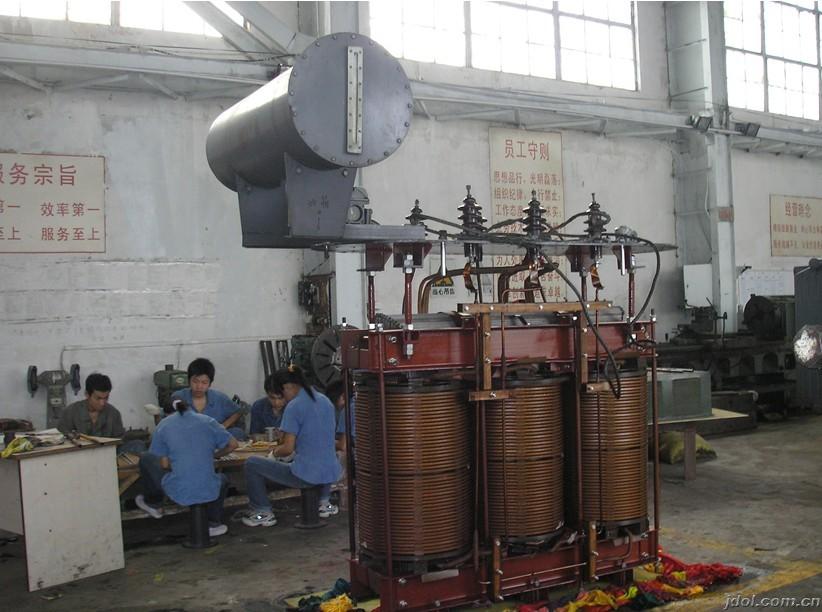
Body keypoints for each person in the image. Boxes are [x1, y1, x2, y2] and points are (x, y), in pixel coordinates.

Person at [241, 365, 341, 527]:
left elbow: (287, 449)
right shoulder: (325, 401)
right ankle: (324, 502)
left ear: (288, 387)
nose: (283, 399)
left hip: (306, 475)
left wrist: (273, 453)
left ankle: (262, 511)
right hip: (330, 472)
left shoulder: (295, 406)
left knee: (251, 463)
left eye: (282, 393)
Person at [135, 399, 239, 537]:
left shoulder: (164, 425)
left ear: (167, 413)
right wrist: (213, 455)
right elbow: (233, 445)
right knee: (222, 479)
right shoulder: (208, 421)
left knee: (146, 458)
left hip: (180, 490)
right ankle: (212, 523)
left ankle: (154, 504)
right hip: (208, 487)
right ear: (189, 408)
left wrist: (183, 462)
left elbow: (165, 465)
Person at [57, 373, 145, 454]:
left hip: (107, 454)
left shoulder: (113, 413)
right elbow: (61, 439)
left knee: (138, 444)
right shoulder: (71, 412)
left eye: (106, 398)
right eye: (98, 398)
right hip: (79, 455)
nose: (102, 403)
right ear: (87, 394)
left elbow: (119, 441)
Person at [172, 358, 246, 440]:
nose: (199, 386)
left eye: (204, 382)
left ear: (210, 383)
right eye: (195, 381)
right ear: (189, 381)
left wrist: (223, 426)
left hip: (214, 439)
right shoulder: (179, 397)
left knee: (237, 432)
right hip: (188, 439)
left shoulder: (219, 398)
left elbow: (238, 411)